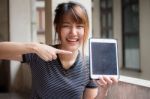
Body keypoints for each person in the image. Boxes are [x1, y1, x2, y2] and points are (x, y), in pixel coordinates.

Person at [0, 1, 118, 99]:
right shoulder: (40, 53)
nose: (73, 32)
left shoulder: (88, 65)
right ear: (57, 28)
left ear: (85, 30)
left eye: (79, 27)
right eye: (66, 26)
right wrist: (35, 47)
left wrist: (103, 91)